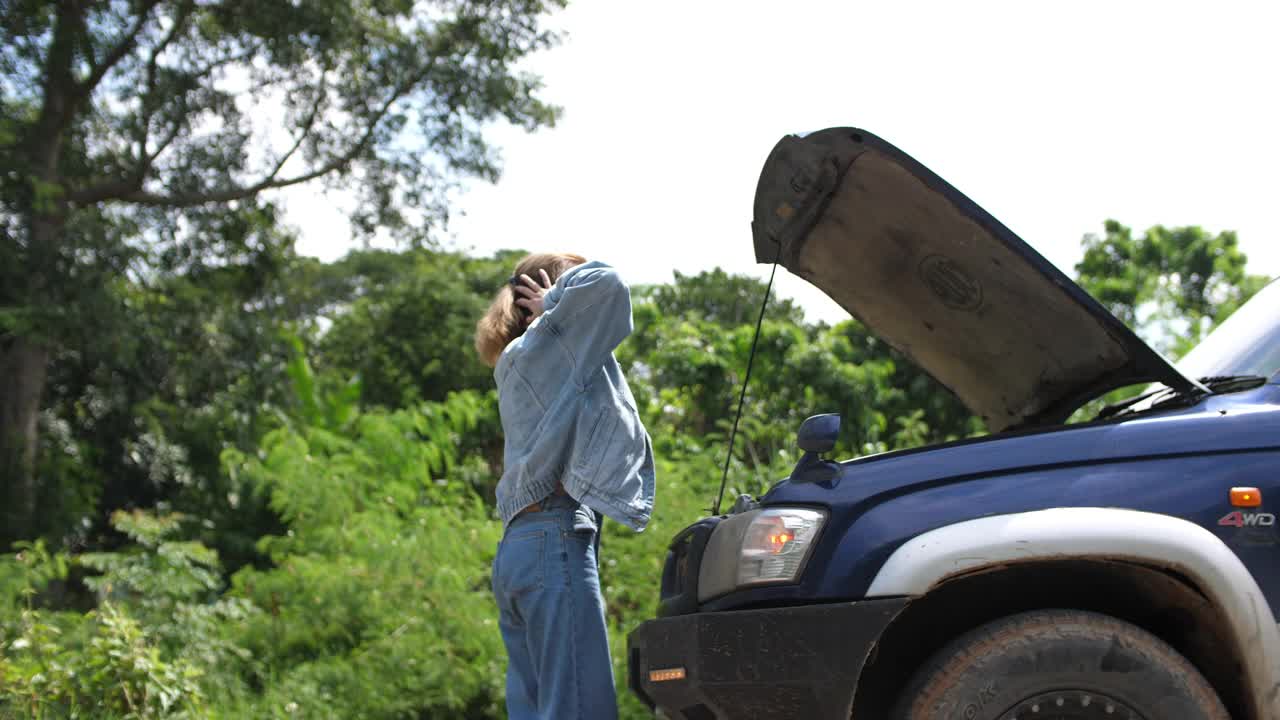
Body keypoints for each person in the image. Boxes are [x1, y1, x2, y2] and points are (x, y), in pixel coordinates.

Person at [474, 252, 656, 720]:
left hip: (519, 550)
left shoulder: (517, 360)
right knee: (580, 709)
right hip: (553, 540)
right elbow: (609, 284)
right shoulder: (549, 344)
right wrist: (556, 299)